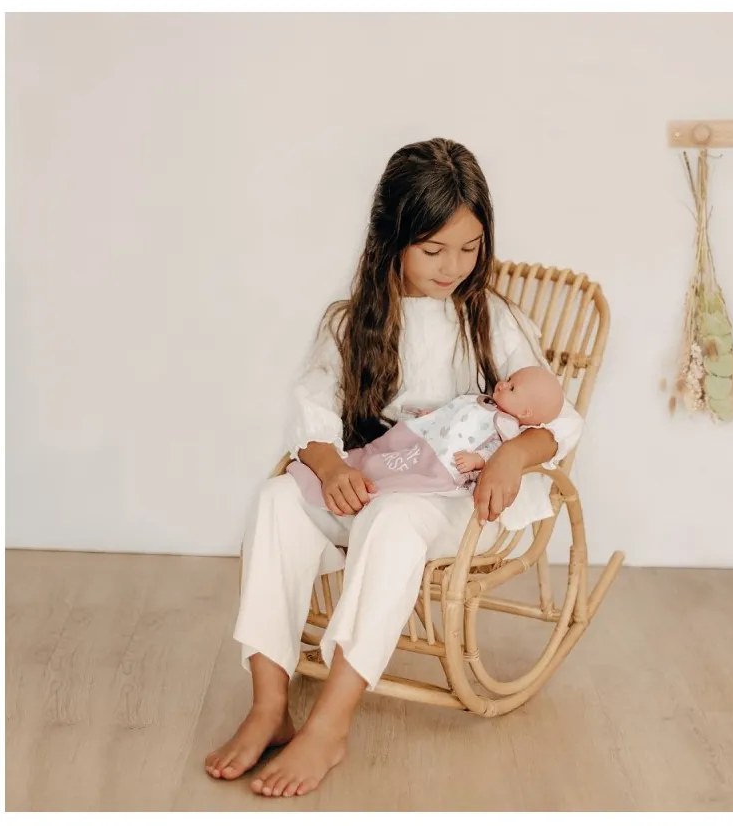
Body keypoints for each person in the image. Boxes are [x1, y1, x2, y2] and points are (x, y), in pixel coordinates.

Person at [204, 138, 585, 798]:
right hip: (376, 477)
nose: (453, 267)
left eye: (469, 248)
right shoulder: (353, 321)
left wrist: (513, 455)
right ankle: (269, 704)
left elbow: (560, 416)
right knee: (276, 501)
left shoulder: (490, 319)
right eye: (433, 250)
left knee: (394, 518)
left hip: (459, 498)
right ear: (393, 239)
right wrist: (329, 467)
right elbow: (313, 413)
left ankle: (331, 722)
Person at [286, 365, 566, 514]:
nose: (503, 383)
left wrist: (483, 460)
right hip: (418, 438)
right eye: (508, 379)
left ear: (525, 413)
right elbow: (450, 414)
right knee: (282, 495)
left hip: (444, 463)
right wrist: (429, 415)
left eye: (512, 388)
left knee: (391, 508)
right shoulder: (480, 401)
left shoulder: (505, 426)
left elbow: (493, 449)